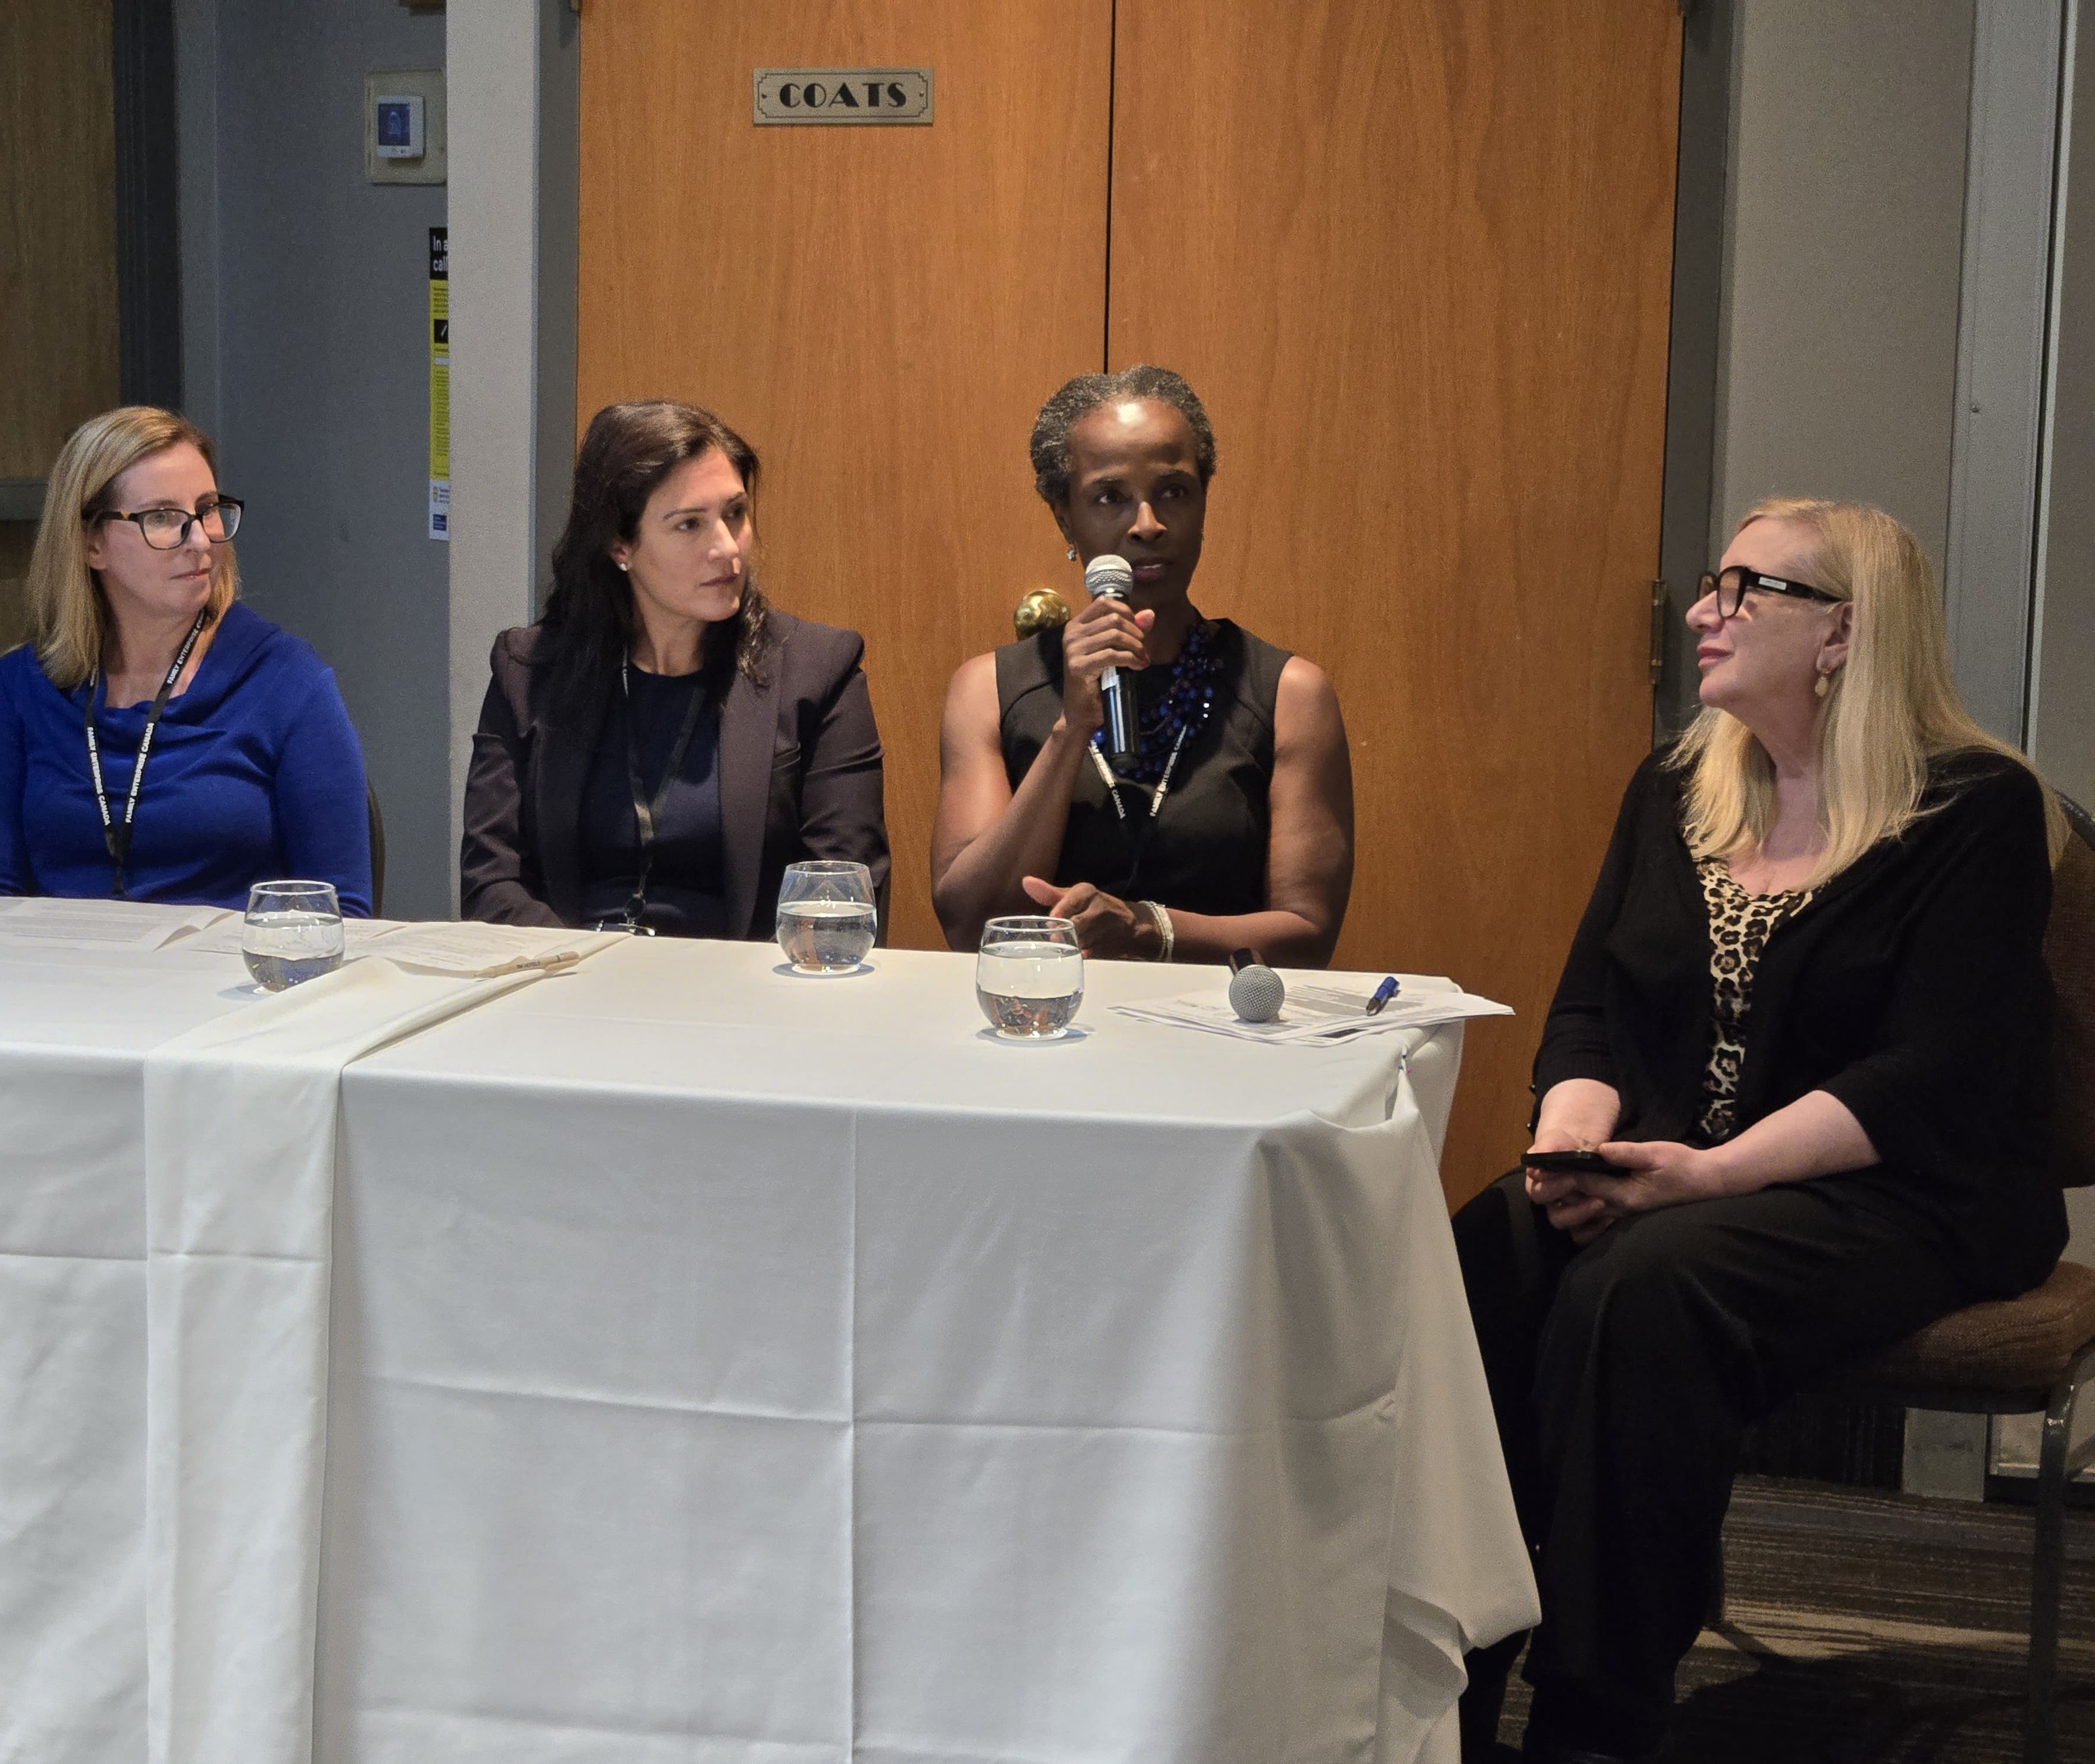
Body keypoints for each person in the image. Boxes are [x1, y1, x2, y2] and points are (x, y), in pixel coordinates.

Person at [1453, 498, 2070, 1763]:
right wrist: (1567, 1142)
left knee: (1642, 1291)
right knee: (1484, 1251)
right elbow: (1589, 1009)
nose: (1700, 612)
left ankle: (1594, 1715)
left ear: (1841, 632)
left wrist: (1707, 1176)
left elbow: (1927, 1076)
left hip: (1906, 1190)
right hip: (1685, 1172)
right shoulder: (1678, 785)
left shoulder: (1974, 810)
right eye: (1709, 583)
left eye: (1745, 591)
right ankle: (1445, 1674)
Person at [931, 365, 1353, 962]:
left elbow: (1309, 935)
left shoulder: (1288, 693)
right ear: (1064, 516)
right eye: (1110, 498)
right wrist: (1071, 728)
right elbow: (968, 925)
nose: (1148, 525)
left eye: (1174, 492)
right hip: (1045, 1028)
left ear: (1204, 501)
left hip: (1220, 1039)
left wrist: (1150, 929)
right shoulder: (987, 690)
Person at [460, 399, 888, 937]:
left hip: (741, 999)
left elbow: (842, 893)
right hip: (569, 988)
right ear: (621, 547)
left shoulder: (818, 671)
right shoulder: (529, 671)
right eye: (689, 525)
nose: (727, 547)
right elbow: (490, 885)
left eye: (735, 513)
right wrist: (591, 978)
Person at [0, 406, 373, 914]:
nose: (201, 540)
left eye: (208, 509)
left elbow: (340, 908)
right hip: (62, 981)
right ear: (91, 544)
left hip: (228, 982)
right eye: (163, 518)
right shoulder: (15, 691)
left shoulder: (287, 682)